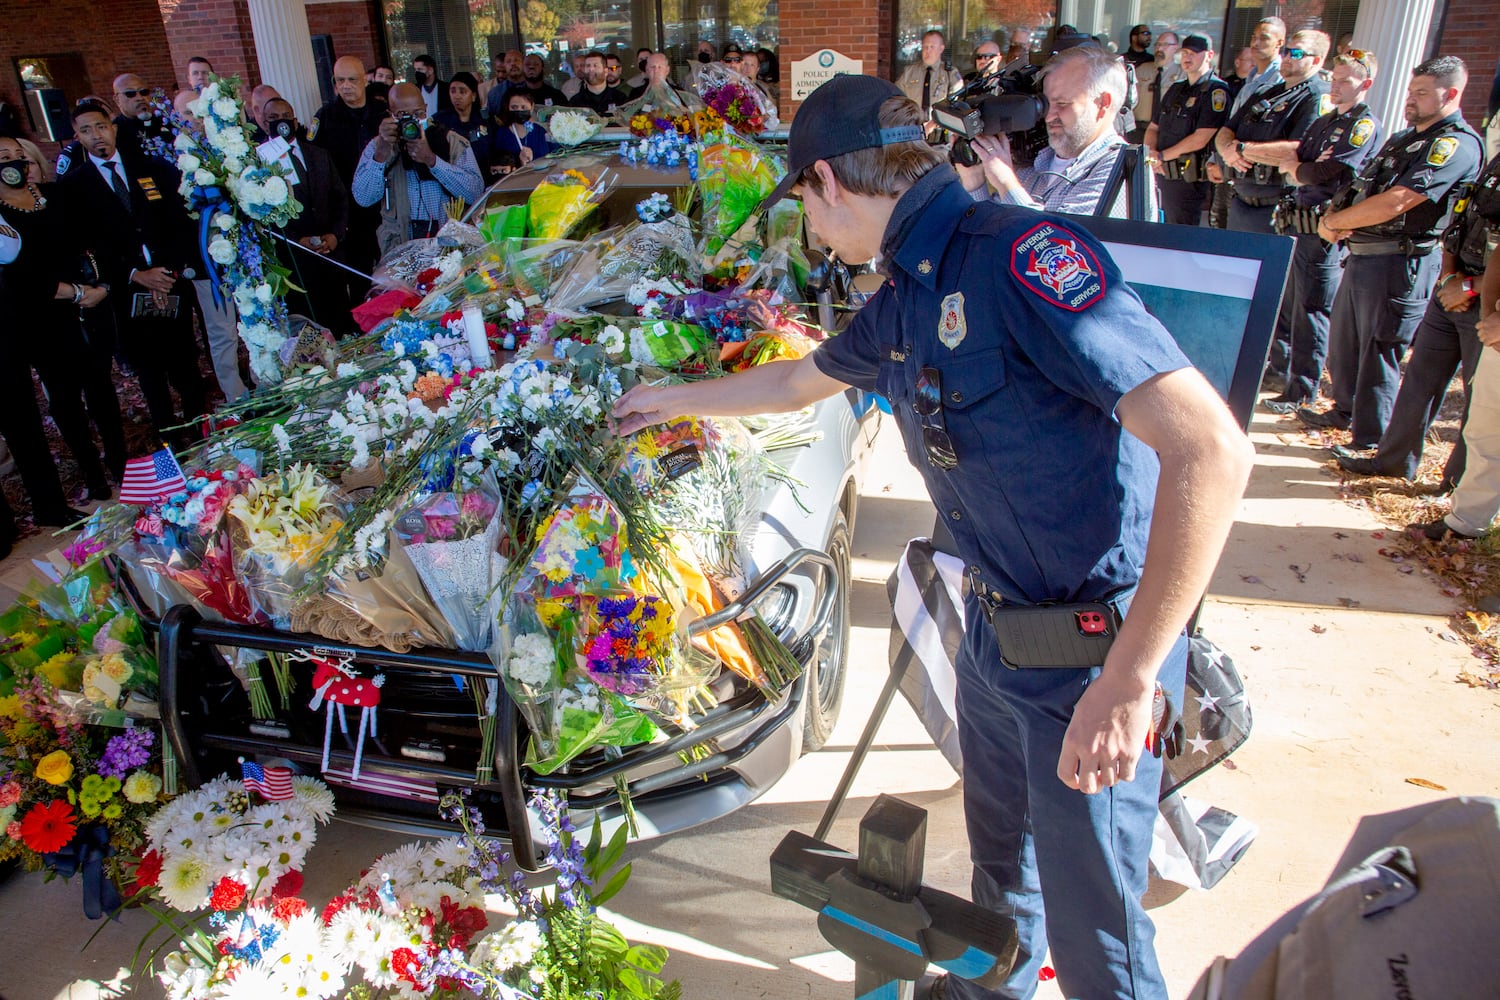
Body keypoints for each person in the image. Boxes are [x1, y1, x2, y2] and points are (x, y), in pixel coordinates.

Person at [612, 72, 1253, 1000]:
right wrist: (667, 400)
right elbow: (798, 384)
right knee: (1005, 883)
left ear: (827, 181)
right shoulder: (913, 285)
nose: (813, 235)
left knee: (1101, 947)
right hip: (994, 641)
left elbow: (1211, 451)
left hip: (1088, 663)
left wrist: (1130, 680)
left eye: (803, 209)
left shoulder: (1019, 254)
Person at [1300, 56, 1484, 449]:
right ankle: (1345, 411)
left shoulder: (1454, 145)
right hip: (1365, 252)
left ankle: (1368, 438)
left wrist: (1335, 223)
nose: (1410, 100)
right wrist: (1337, 215)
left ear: (1450, 94)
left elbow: (1399, 200)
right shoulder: (1404, 139)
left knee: (1379, 349)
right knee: (1347, 344)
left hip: (1402, 260)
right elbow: (1366, 187)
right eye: (1410, 91)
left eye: (1421, 93)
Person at [1335, 147, 1499, 488]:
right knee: (1418, 383)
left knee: (1479, 404)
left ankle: (1455, 490)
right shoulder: (1495, 161)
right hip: (1454, 288)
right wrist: (1452, 278)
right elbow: (1460, 219)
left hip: (1486, 303)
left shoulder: (1461, 144)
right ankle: (1392, 461)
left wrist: (1469, 288)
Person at [62, 100, 206, 448]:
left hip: (170, 281)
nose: (96, 135)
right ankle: (172, 443)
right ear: (78, 137)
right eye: (85, 130)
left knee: (186, 364)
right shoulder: (74, 186)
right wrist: (134, 275)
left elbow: (182, 223)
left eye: (100, 126)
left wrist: (166, 272)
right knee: (150, 372)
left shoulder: (152, 168)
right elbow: (87, 244)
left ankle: (203, 432)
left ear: (112, 128)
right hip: (126, 293)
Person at [0, 135, 120, 515]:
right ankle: (91, 473)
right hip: (38, 317)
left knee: (100, 384)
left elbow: (94, 238)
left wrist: (100, 285)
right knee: (64, 398)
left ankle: (120, 462)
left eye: (21, 155)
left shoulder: (57, 195)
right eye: (5, 157)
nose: (16, 163)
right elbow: (19, 274)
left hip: (86, 301)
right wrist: (70, 291)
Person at [1263, 51, 1382, 414]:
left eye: (1346, 80)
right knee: (1294, 306)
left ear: (1366, 84)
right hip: (1299, 224)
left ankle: (1303, 390)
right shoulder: (1325, 121)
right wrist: (1304, 166)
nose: (1337, 85)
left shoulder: (1362, 125)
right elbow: (1301, 160)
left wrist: (1302, 168)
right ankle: (1290, 384)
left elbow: (1333, 171)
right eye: (1335, 78)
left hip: (1325, 229)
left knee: (1312, 309)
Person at [956, 45, 1143, 218]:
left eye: (1062, 103)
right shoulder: (1038, 161)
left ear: (1103, 103)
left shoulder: (1122, 169)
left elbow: (1060, 246)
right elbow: (989, 229)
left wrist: (1006, 182)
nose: (1049, 116)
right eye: (1045, 104)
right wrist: (974, 179)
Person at [352, 83, 484, 256]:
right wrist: (382, 153)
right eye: (403, 115)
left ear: (426, 109)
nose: (412, 120)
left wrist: (432, 160)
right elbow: (363, 198)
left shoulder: (452, 141)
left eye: (418, 113)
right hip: (400, 245)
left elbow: (475, 192)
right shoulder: (378, 145)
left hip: (447, 245)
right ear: (390, 115)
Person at [262, 97, 353, 336]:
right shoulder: (259, 163)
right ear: (264, 123)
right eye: (273, 118)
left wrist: (335, 234)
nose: (281, 122)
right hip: (294, 260)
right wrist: (295, 240)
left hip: (329, 254)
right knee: (307, 329)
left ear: (294, 120)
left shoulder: (319, 154)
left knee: (339, 321)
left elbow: (341, 199)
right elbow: (264, 216)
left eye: (285, 116)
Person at [309, 56, 388, 295]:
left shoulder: (382, 112)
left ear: (365, 79)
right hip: (349, 212)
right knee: (358, 275)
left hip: (384, 204)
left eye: (352, 79)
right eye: (340, 80)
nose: (346, 85)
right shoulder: (325, 117)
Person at [1146, 35, 1229, 226]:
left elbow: (1201, 138)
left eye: (1193, 53)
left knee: (1178, 238)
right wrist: (1151, 154)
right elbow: (1153, 128)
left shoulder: (1216, 92)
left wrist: (1162, 156)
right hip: (1161, 174)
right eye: (1184, 53)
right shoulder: (1176, 89)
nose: (1187, 58)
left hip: (1188, 182)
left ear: (1209, 55)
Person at [896, 30, 963, 131]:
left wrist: (933, 124)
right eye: (925, 47)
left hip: (939, 132)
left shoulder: (950, 73)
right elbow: (896, 98)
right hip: (912, 129)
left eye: (932, 47)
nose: (928, 51)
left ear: (941, 48)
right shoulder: (909, 72)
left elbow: (957, 105)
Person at [436, 72, 494, 175]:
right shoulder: (439, 120)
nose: (457, 96)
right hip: (456, 176)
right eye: (453, 91)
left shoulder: (486, 118)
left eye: (462, 92)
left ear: (473, 96)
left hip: (485, 175)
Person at [490, 90, 551, 178]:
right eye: (514, 107)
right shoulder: (501, 134)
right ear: (507, 108)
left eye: (523, 107)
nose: (519, 110)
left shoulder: (541, 132)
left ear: (532, 106)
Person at [112, 73, 174, 159]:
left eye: (144, 92)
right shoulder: (114, 132)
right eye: (130, 93)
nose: (140, 98)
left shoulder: (166, 123)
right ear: (117, 100)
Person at [567, 52, 628, 116]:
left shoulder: (620, 99)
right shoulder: (575, 102)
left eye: (595, 65)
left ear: (606, 71)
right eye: (588, 66)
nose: (591, 69)